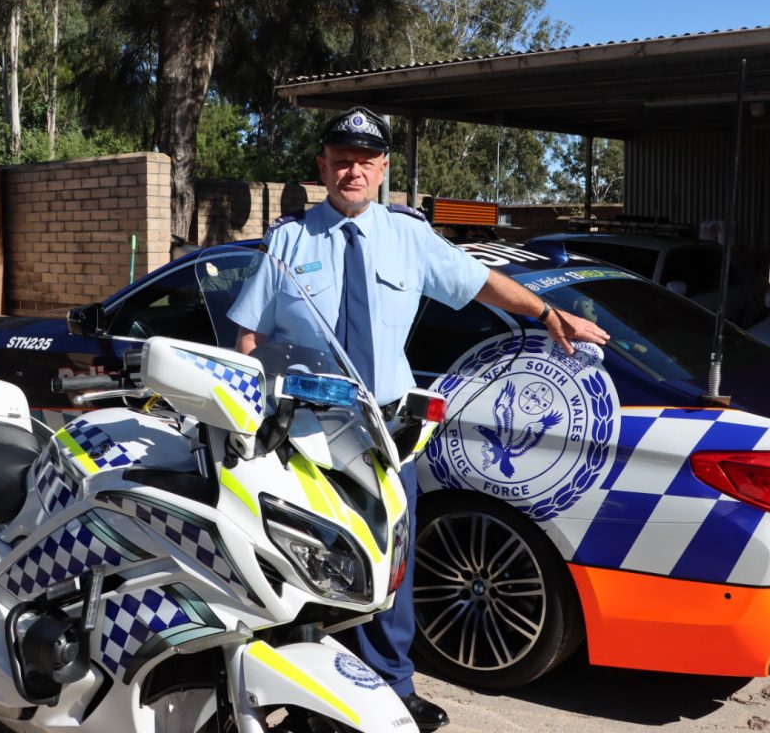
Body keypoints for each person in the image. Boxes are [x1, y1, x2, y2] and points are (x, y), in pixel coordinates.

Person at [228, 107, 609, 731]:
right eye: (340, 159)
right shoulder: (289, 242)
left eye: (365, 160)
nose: (353, 169)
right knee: (306, 561)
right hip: (304, 434)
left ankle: (392, 687)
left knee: (389, 565)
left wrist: (547, 314)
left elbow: (481, 283)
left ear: (381, 170)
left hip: (386, 433)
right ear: (323, 167)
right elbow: (248, 338)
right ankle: (304, 693)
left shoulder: (410, 237)